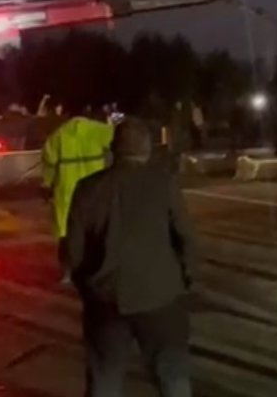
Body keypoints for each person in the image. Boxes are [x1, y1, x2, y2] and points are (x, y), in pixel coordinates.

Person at [65, 118, 198, 397]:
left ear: (113, 149)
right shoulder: (163, 183)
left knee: (104, 379)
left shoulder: (87, 188)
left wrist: (87, 287)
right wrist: (185, 278)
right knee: (172, 377)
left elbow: (73, 251)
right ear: (147, 149)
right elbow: (186, 237)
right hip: (161, 297)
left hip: (106, 299)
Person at [42, 105, 115, 283]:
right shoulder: (99, 131)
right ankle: (96, 270)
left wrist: (47, 186)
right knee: (95, 230)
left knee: (66, 233)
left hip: (66, 192)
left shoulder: (57, 136)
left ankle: (67, 273)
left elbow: (49, 167)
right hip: (94, 188)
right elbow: (119, 141)